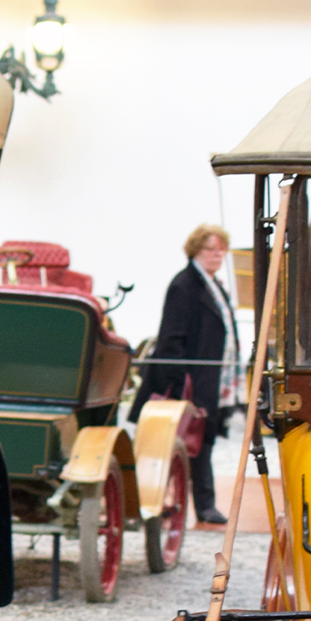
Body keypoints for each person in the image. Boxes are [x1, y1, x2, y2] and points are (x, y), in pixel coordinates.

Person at [130, 224, 243, 524]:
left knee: (201, 441)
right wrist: (182, 384)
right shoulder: (185, 285)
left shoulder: (212, 284)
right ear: (195, 250)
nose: (217, 254)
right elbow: (171, 339)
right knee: (192, 442)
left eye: (221, 249)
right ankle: (196, 504)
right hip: (189, 380)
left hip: (210, 379)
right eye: (210, 248)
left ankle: (195, 503)